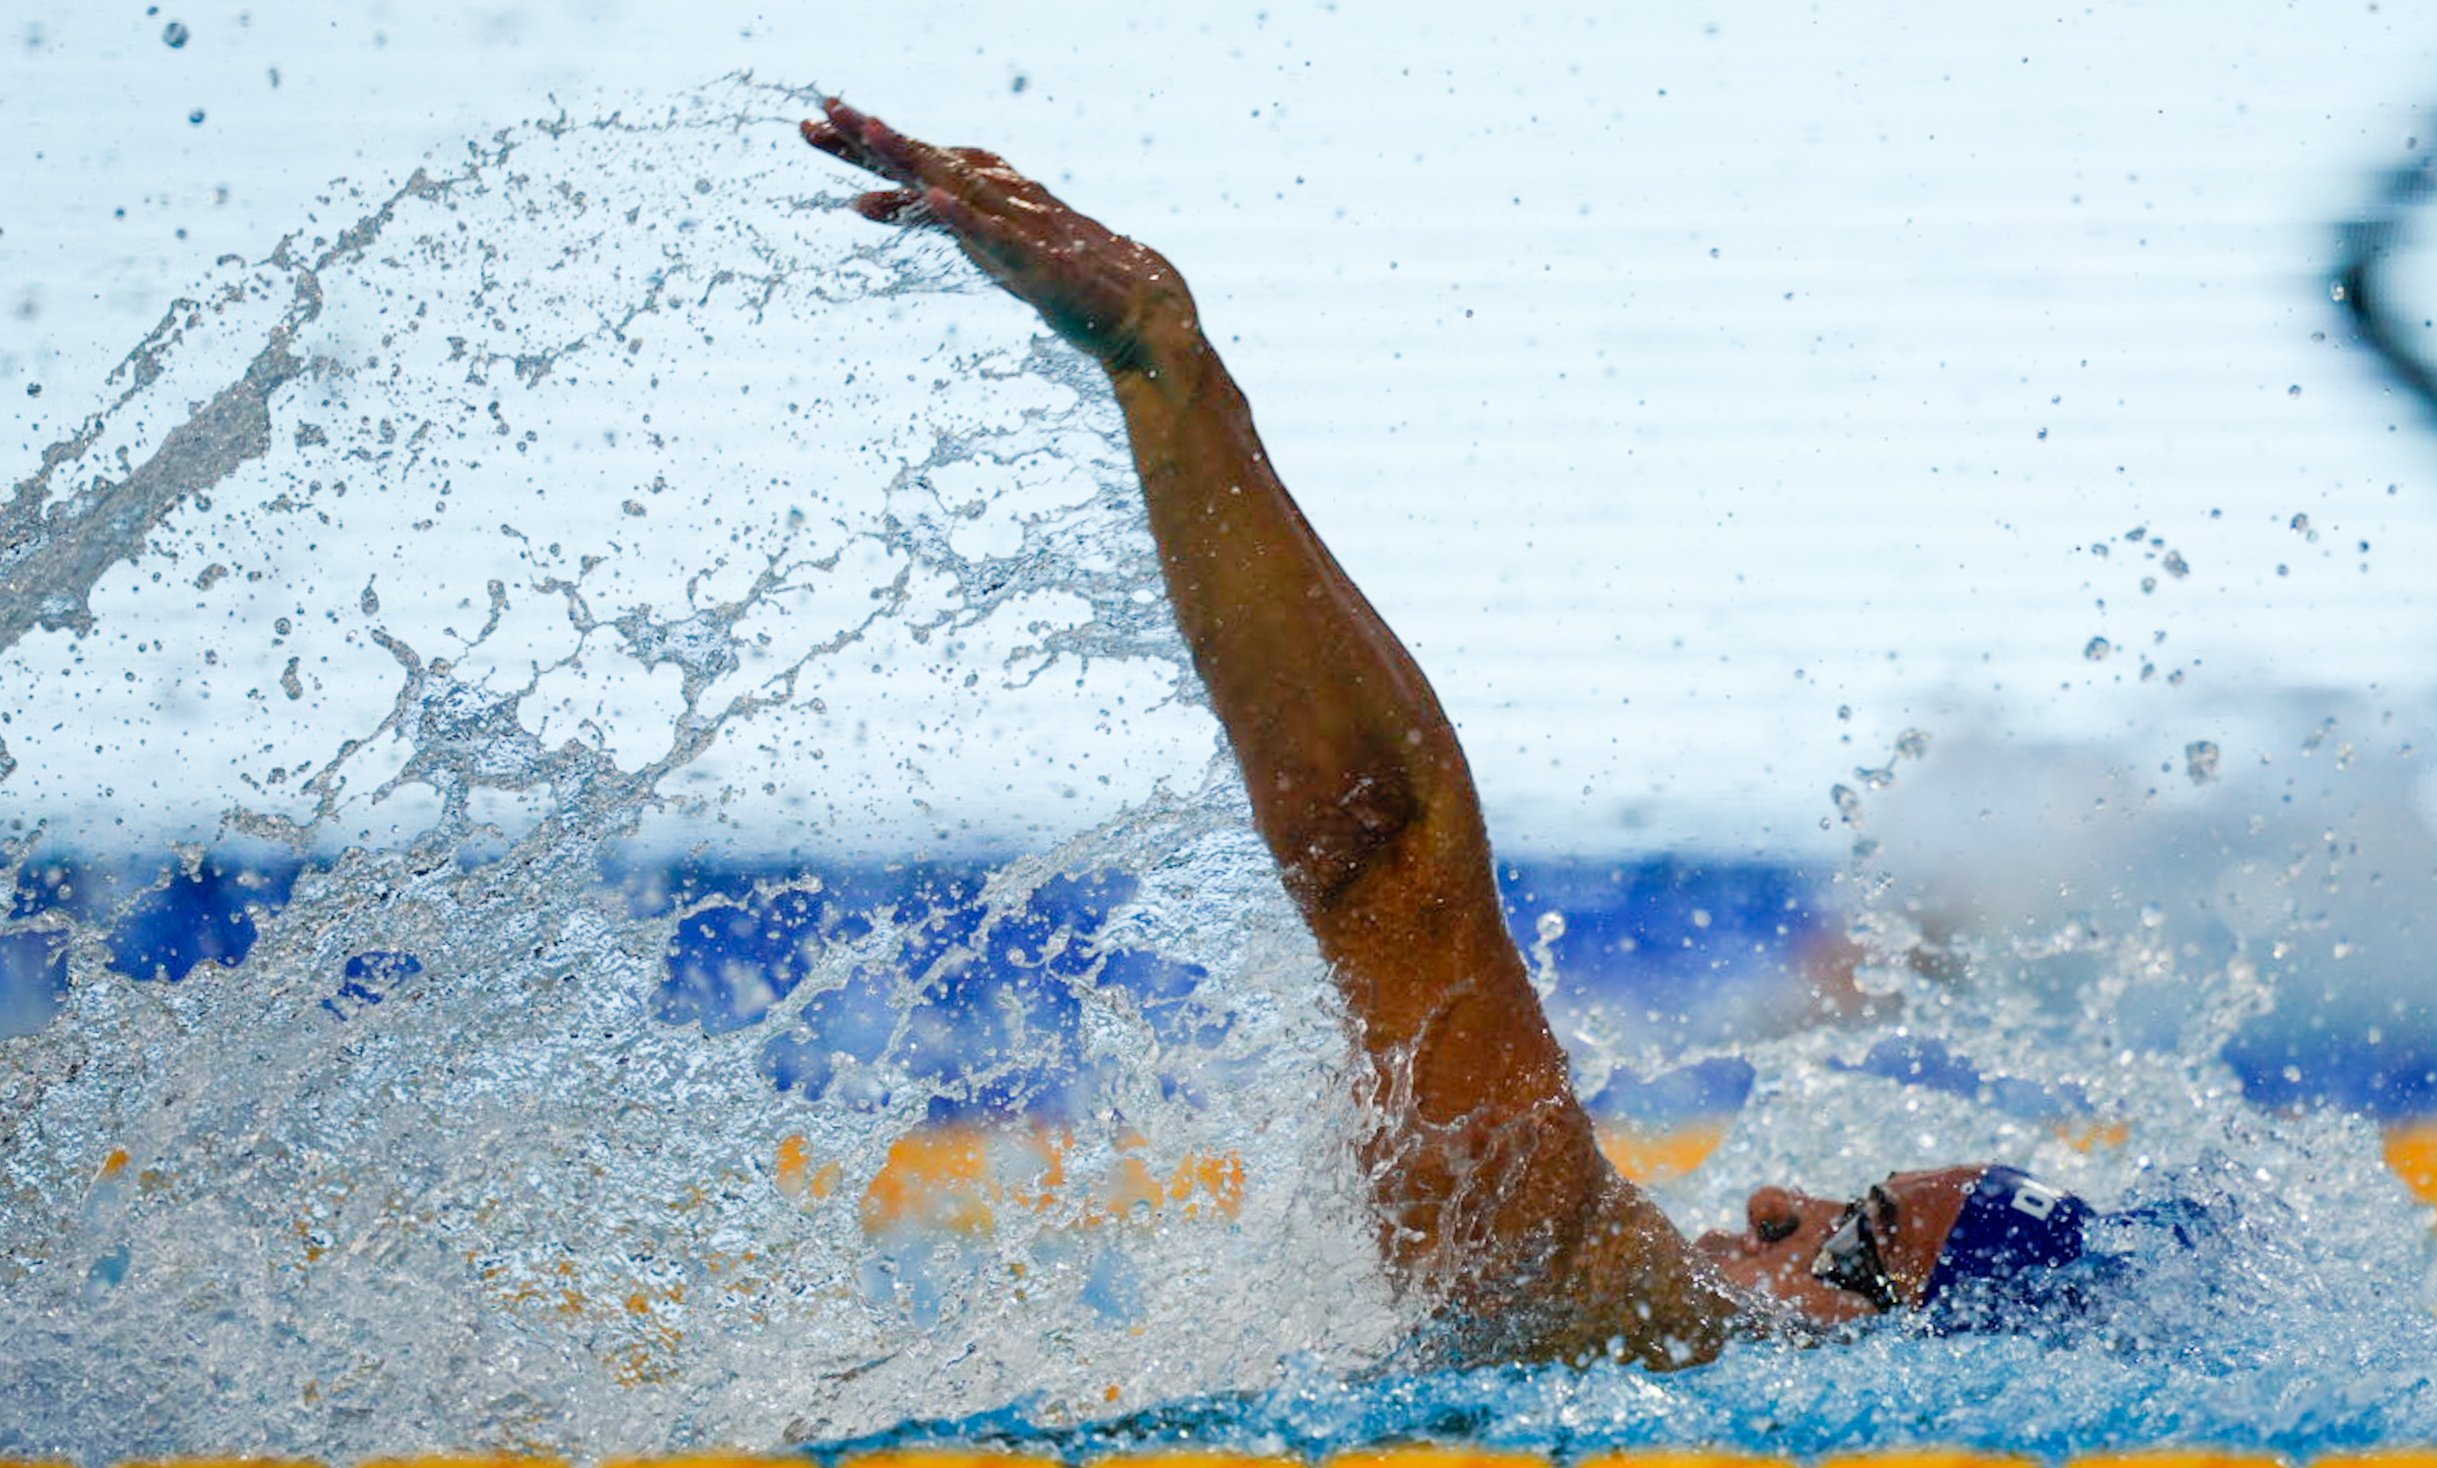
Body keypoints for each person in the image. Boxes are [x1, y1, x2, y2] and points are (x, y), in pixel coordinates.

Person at [800, 98, 2095, 1370]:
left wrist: (1163, 364)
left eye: (1854, 1252)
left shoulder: (1627, 1326)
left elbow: (1380, 852)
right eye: (1838, 1205)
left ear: (1910, 1357)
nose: (1773, 1205)